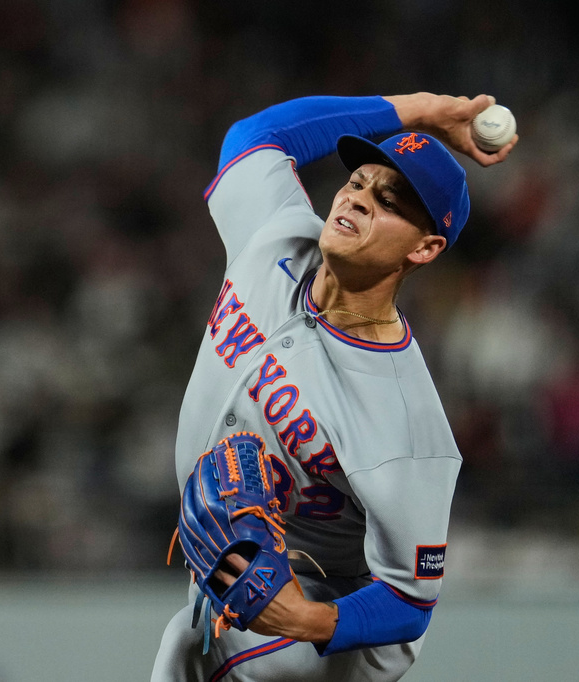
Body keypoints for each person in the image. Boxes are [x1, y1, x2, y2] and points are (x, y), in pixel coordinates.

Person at [150, 92, 517, 682]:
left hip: (334, 617)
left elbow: (409, 601)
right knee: (188, 642)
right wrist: (417, 111)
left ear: (424, 248)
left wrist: (305, 619)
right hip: (248, 562)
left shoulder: (404, 421)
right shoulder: (277, 230)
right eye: (359, 182)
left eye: (389, 200)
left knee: (196, 648)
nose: (358, 199)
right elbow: (258, 132)